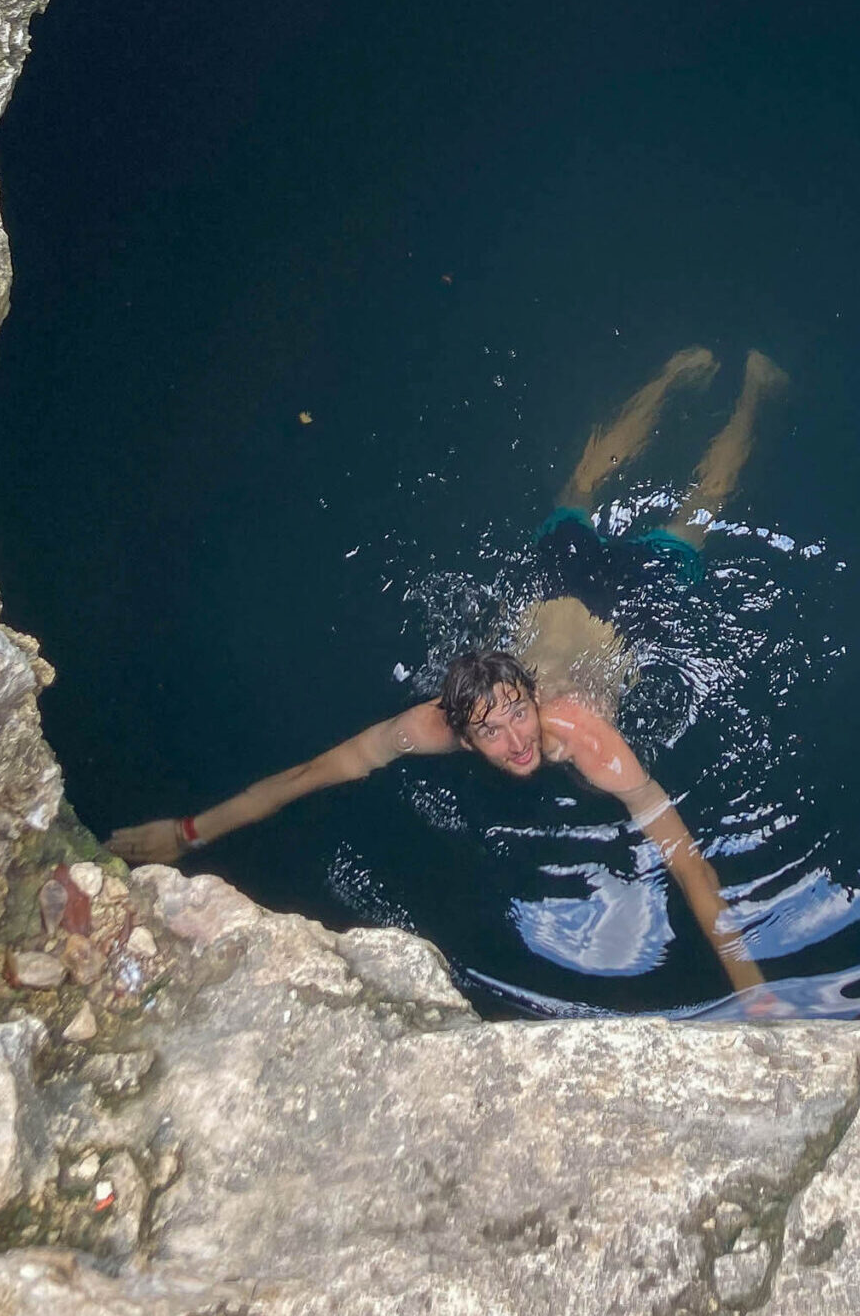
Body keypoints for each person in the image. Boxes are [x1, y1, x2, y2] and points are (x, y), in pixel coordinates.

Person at [106, 347, 789, 1000]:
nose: (517, 739)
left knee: (678, 503)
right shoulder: (426, 724)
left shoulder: (586, 736)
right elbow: (306, 774)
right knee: (592, 492)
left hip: (623, 607)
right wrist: (189, 833)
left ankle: (734, 389)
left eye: (517, 711)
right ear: (459, 733)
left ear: (528, 691)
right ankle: (693, 380)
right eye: (490, 730)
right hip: (574, 594)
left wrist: (750, 986)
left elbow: (685, 855)